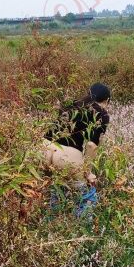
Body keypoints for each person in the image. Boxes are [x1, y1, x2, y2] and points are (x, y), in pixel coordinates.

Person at [42, 82, 111, 215]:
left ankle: (52, 221)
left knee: (57, 193)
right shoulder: (102, 114)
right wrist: (88, 172)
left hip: (45, 152)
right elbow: (91, 145)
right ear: (107, 100)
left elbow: (50, 134)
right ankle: (83, 225)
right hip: (66, 157)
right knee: (86, 196)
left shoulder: (72, 105)